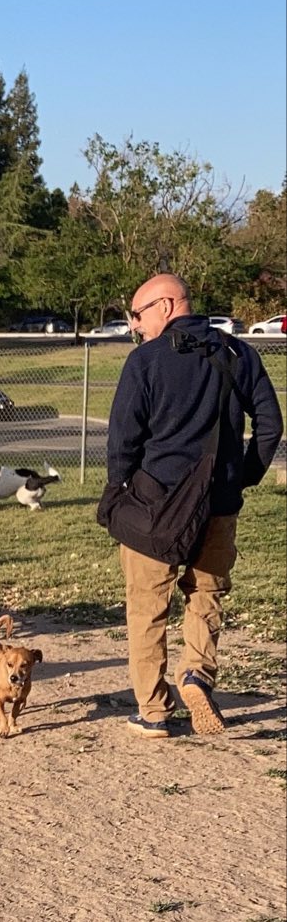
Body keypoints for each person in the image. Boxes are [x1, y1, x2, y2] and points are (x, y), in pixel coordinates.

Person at [105, 274, 282, 736]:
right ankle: (197, 674)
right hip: (219, 503)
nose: (136, 327)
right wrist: (241, 477)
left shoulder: (145, 361)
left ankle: (154, 711)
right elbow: (270, 424)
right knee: (205, 596)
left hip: (154, 505)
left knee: (148, 608)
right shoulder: (239, 353)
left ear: (165, 307)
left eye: (138, 316)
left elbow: (123, 438)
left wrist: (117, 490)